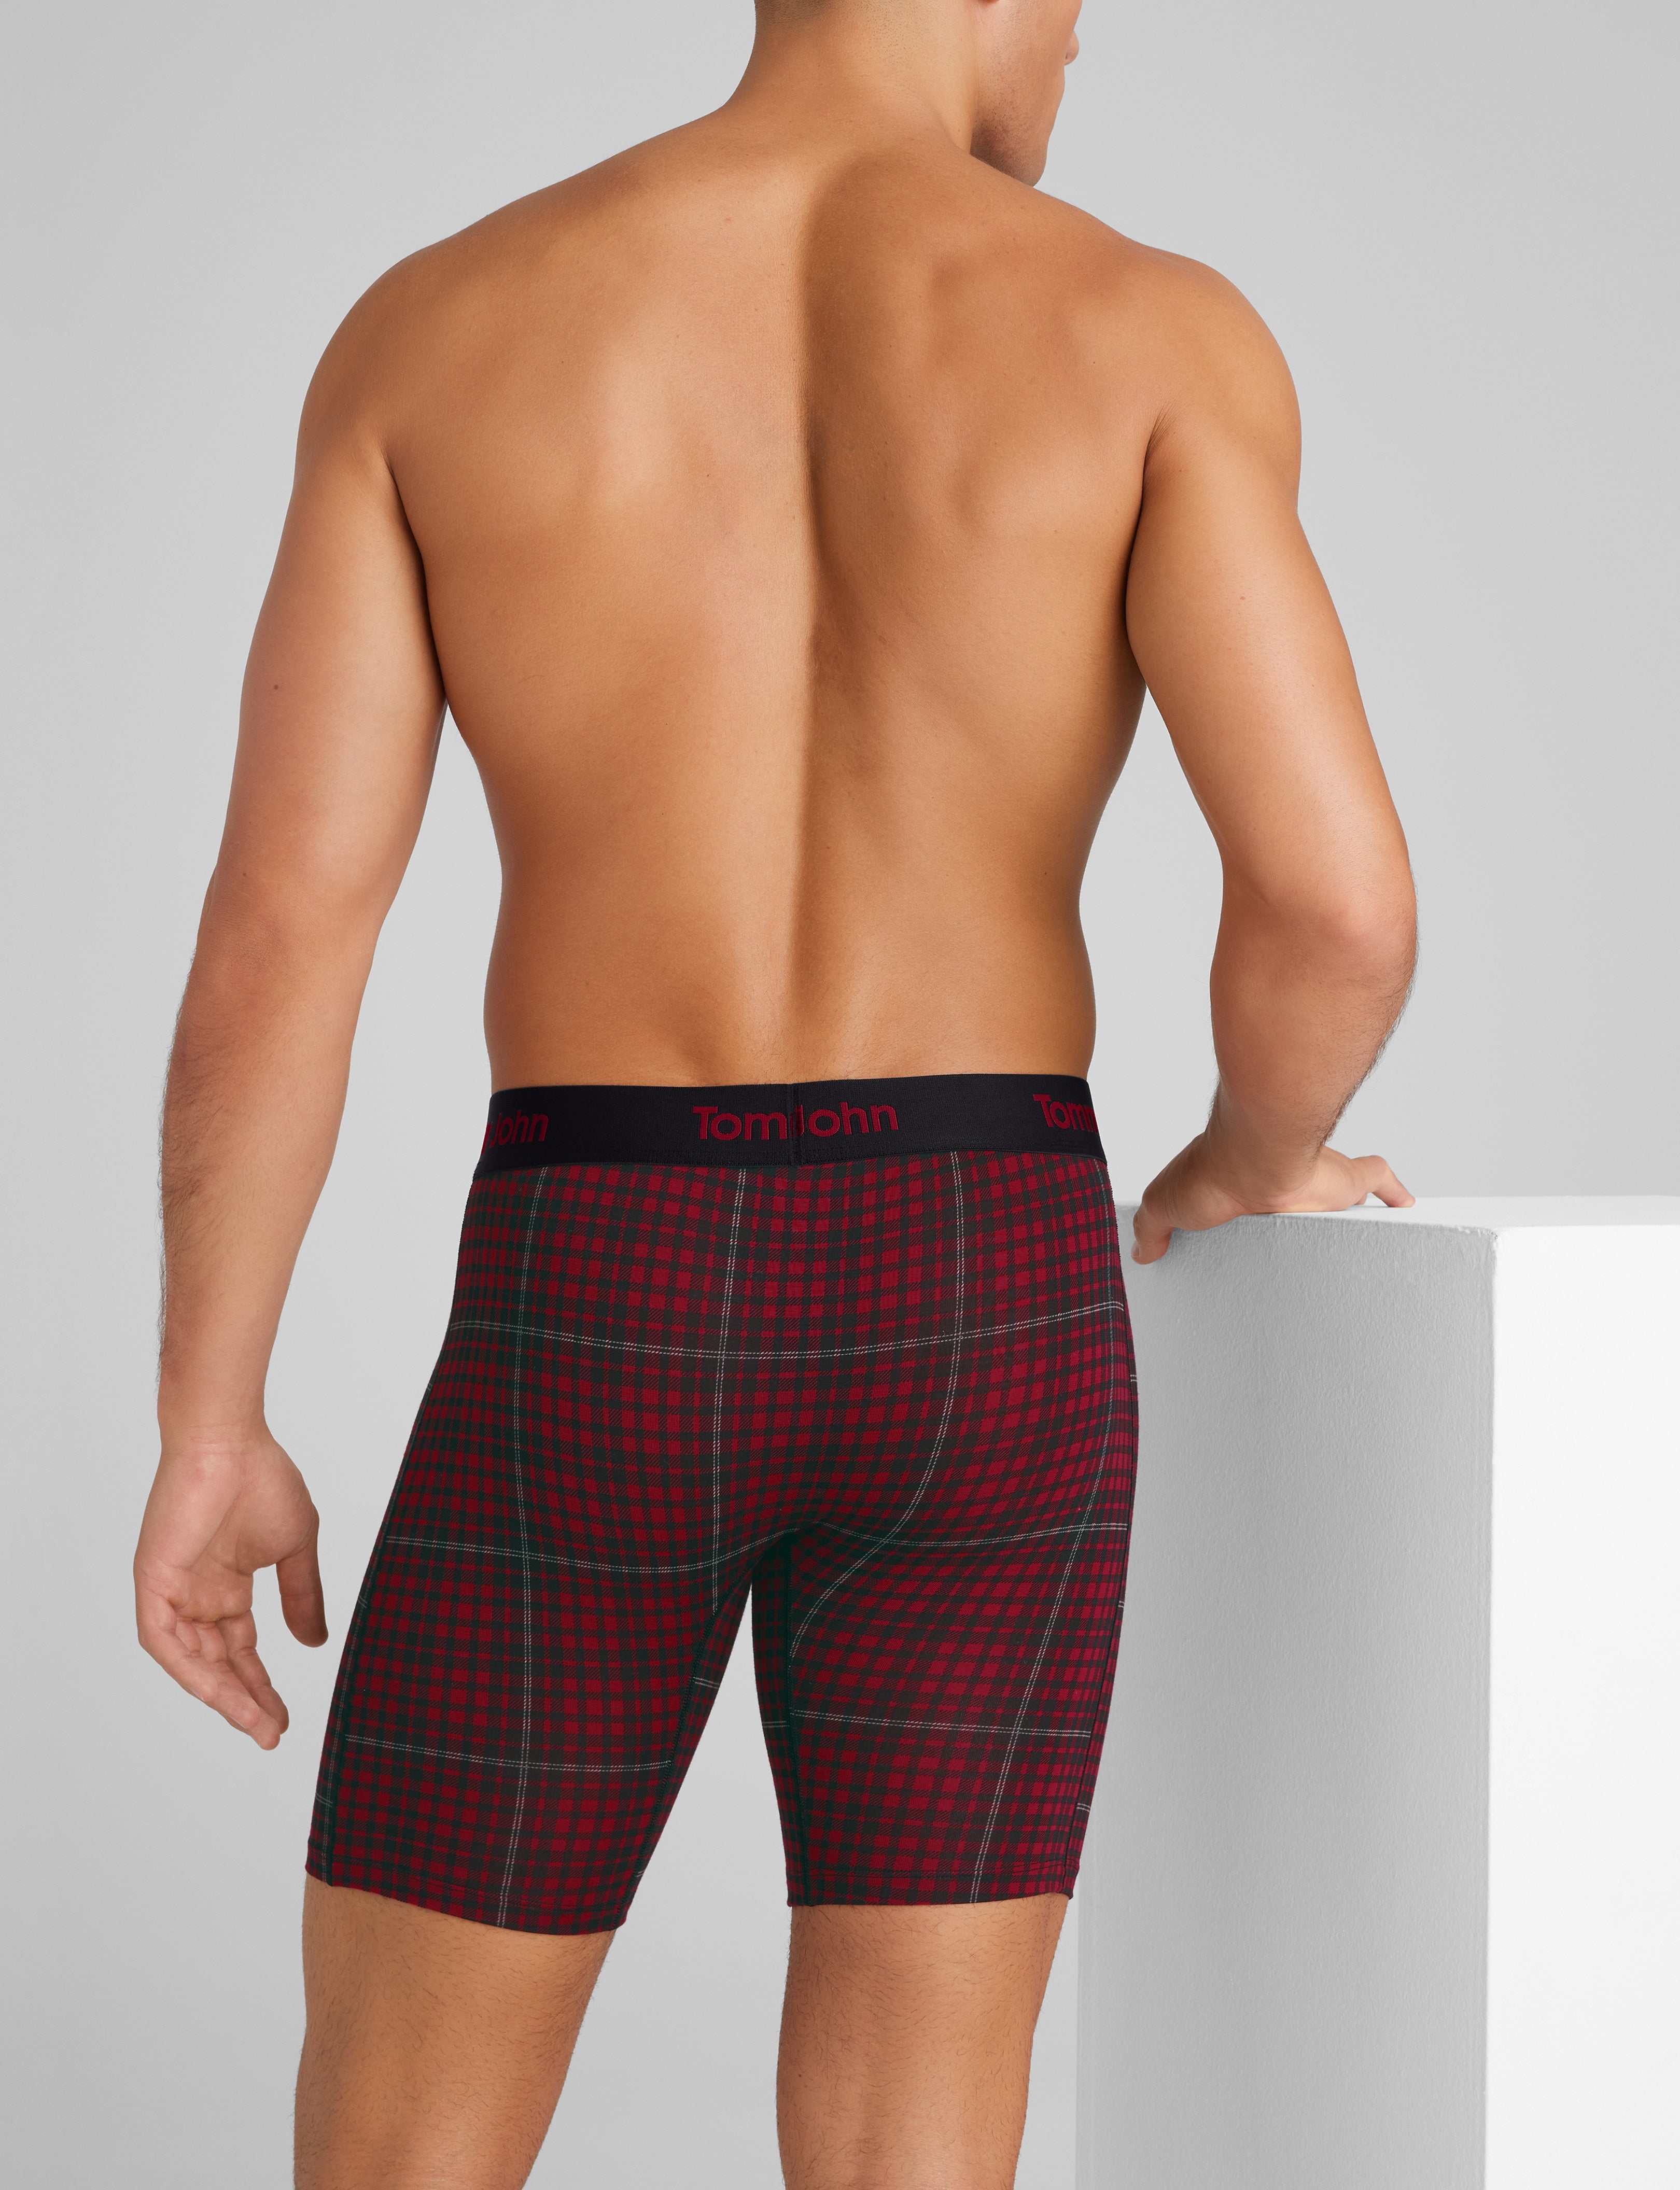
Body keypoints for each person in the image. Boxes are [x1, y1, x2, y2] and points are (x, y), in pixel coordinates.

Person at [133, 0, 1416, 2182]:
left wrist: (211, 1419)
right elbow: (1339, 906)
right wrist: (1253, 1148)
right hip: (988, 1283)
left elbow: (280, 939)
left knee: (405, 2140)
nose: (1079, 50)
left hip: (600, 1281)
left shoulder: (438, 331)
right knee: (921, 2132)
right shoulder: (1154, 335)